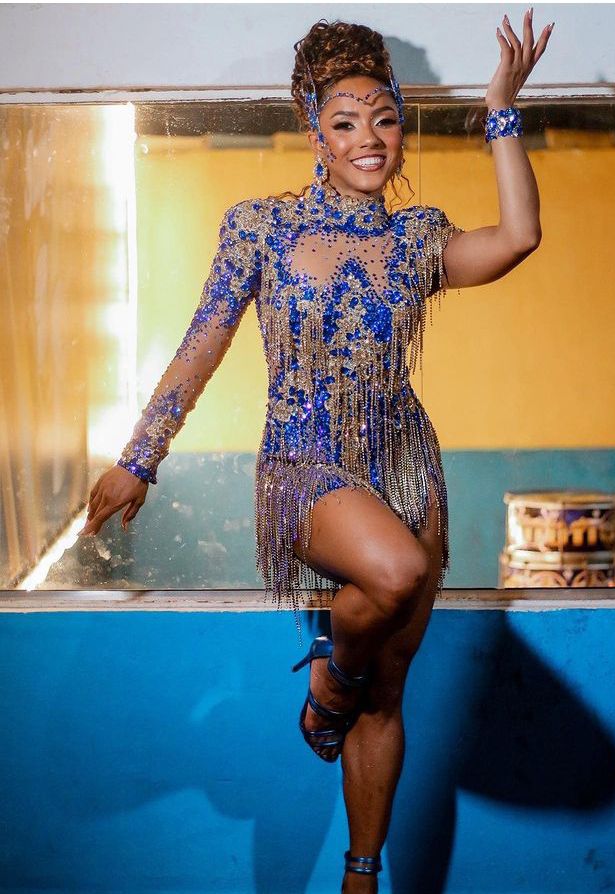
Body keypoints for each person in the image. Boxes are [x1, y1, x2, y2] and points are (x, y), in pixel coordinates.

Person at [80, 13, 552, 891]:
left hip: (408, 468)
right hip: (304, 465)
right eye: (346, 122)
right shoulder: (260, 228)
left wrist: (500, 106)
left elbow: (518, 237)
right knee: (396, 574)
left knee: (389, 694)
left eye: (385, 118)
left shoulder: (418, 239)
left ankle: (360, 875)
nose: (370, 138)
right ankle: (330, 680)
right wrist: (140, 456)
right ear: (315, 135)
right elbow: (202, 344)